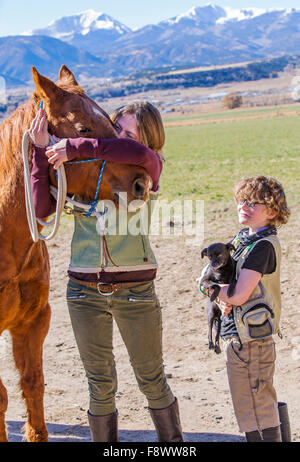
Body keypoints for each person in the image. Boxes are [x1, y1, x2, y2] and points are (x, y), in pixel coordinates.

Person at [29, 101, 184, 442]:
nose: (120, 141)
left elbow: (132, 152)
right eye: (117, 131)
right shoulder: (87, 169)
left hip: (136, 292)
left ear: (148, 141)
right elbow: (42, 211)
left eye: (130, 135)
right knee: (99, 385)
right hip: (83, 292)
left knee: (152, 381)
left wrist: (71, 146)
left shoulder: (148, 165)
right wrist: (42, 154)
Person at [200, 176, 291, 442]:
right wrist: (214, 293)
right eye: (241, 200)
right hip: (240, 337)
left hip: (252, 340)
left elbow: (238, 295)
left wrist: (217, 293)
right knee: (251, 404)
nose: (244, 206)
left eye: (253, 203)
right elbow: (203, 279)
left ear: (272, 212)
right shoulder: (241, 241)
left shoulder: (261, 247)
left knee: (257, 406)